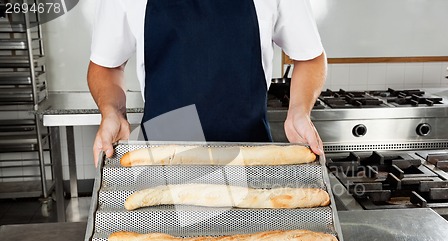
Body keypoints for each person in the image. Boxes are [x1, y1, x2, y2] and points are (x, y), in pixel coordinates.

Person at [88, 0, 327, 166]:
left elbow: (311, 58)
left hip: (250, 159)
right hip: (163, 160)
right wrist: (112, 112)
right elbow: (105, 66)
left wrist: (299, 111)